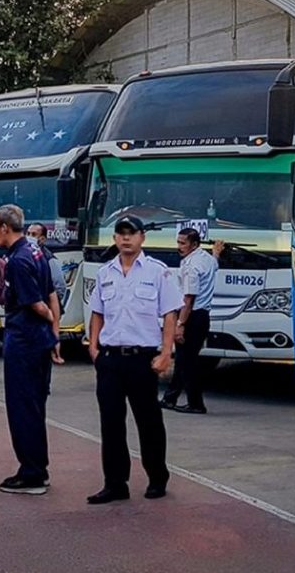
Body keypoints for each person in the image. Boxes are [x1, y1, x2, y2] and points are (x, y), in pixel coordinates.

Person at [87, 214, 183, 504]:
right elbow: (97, 313)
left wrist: (166, 353)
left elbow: (170, 315)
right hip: (110, 358)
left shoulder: (158, 272)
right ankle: (115, 483)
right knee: (111, 423)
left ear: (142, 237)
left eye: (132, 233)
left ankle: (157, 477)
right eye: (121, 233)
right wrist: (94, 348)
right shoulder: (105, 273)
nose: (126, 238)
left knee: (148, 420)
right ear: (115, 238)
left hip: (142, 359)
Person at [0, 204, 61, 495]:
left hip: (24, 339)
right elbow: (52, 293)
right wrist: (54, 335)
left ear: (5, 227)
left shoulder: (18, 260)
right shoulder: (36, 251)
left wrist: (49, 320)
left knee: (22, 407)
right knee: (35, 406)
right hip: (38, 339)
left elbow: (38, 303)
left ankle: (32, 472)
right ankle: (37, 467)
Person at [161, 229, 221, 415]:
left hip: (191, 317)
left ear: (194, 245)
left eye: (183, 243)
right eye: (178, 242)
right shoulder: (206, 259)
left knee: (188, 363)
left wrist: (180, 325)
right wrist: (217, 252)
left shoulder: (191, 267)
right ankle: (170, 398)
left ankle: (196, 404)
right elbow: (215, 264)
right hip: (202, 317)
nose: (179, 247)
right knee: (183, 360)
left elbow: (188, 300)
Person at [26, 223, 66, 305]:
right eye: (28, 233)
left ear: (42, 239)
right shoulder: (23, 255)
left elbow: (60, 287)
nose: (29, 237)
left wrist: (48, 306)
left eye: (33, 234)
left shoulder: (49, 259)